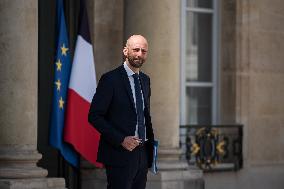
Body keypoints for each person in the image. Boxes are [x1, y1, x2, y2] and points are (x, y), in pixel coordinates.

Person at [88, 34, 155, 189]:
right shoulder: (110, 79)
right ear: (126, 51)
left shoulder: (145, 80)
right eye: (136, 49)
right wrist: (121, 139)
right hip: (119, 153)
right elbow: (94, 116)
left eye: (143, 51)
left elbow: (144, 115)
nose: (139, 54)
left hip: (142, 154)